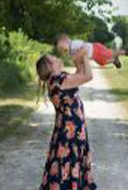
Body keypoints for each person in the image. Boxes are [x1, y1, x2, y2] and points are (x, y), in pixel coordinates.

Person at [36, 49, 97, 190]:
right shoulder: (58, 80)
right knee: (67, 168)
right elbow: (88, 76)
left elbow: (80, 74)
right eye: (52, 57)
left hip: (70, 133)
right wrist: (84, 54)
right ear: (49, 65)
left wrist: (79, 58)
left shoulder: (59, 78)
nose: (56, 57)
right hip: (70, 135)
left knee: (67, 168)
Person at [55, 33, 128, 69]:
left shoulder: (73, 44)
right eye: (61, 50)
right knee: (102, 63)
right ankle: (114, 60)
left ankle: (126, 51)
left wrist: (74, 59)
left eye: (62, 47)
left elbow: (84, 49)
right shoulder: (71, 51)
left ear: (67, 40)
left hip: (96, 49)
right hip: (94, 56)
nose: (62, 50)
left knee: (110, 54)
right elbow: (79, 59)